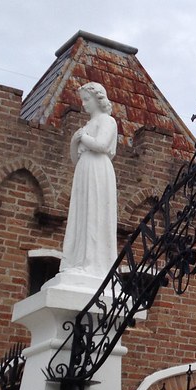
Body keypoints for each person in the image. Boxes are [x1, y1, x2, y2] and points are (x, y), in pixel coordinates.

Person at [60, 82, 118, 278]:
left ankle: (92, 262)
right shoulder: (86, 127)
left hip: (98, 169)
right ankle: (77, 259)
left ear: (98, 99)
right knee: (82, 214)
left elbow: (101, 145)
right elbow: (75, 158)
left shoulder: (107, 121)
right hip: (84, 170)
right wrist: (74, 141)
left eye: (87, 99)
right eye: (83, 100)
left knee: (94, 212)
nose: (84, 104)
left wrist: (82, 137)